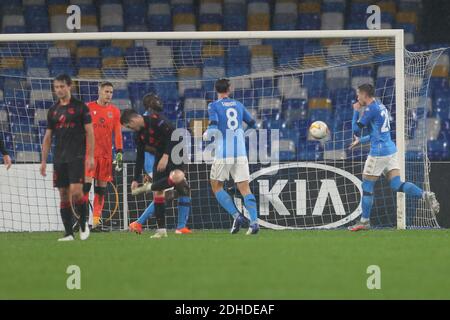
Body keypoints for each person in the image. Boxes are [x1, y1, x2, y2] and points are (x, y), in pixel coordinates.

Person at [348, 83, 440, 231]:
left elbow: (355, 129)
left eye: (358, 94)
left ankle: (364, 222)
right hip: (390, 150)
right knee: (396, 184)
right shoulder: (380, 106)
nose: (357, 97)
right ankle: (425, 195)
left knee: (367, 186)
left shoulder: (370, 109)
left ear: (365, 95)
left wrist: (355, 111)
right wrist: (361, 142)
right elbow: (377, 134)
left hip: (378, 153)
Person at [120, 103, 191, 239]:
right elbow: (139, 157)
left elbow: (173, 135)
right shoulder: (138, 135)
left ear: (133, 120)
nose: (130, 129)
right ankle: (161, 230)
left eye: (129, 126)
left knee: (179, 178)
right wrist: (135, 178)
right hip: (160, 154)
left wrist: (166, 155)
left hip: (176, 150)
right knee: (159, 192)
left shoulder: (156, 120)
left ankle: (180, 226)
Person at [40, 74, 95, 241]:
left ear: (69, 86)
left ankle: (84, 224)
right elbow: (48, 137)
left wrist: (90, 156)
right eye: (56, 87)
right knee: (63, 194)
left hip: (77, 156)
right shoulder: (53, 110)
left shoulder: (81, 107)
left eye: (62, 86)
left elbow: (90, 133)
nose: (59, 90)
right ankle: (68, 233)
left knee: (77, 192)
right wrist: (43, 161)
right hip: (59, 158)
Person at [205, 78, 259, 235]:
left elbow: (214, 124)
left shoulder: (213, 105)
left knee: (216, 186)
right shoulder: (239, 105)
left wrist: (208, 133)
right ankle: (254, 222)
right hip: (241, 152)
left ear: (216, 90)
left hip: (223, 153)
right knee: (244, 187)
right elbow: (253, 124)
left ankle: (237, 216)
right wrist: (242, 135)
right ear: (229, 89)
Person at [84, 81, 123, 229]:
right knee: (86, 188)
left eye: (111, 92)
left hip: (106, 156)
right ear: (99, 91)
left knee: (101, 190)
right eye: (106, 91)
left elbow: (118, 133)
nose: (109, 95)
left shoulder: (115, 111)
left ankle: (96, 221)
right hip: (90, 155)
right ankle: (82, 219)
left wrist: (119, 152)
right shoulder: (88, 108)